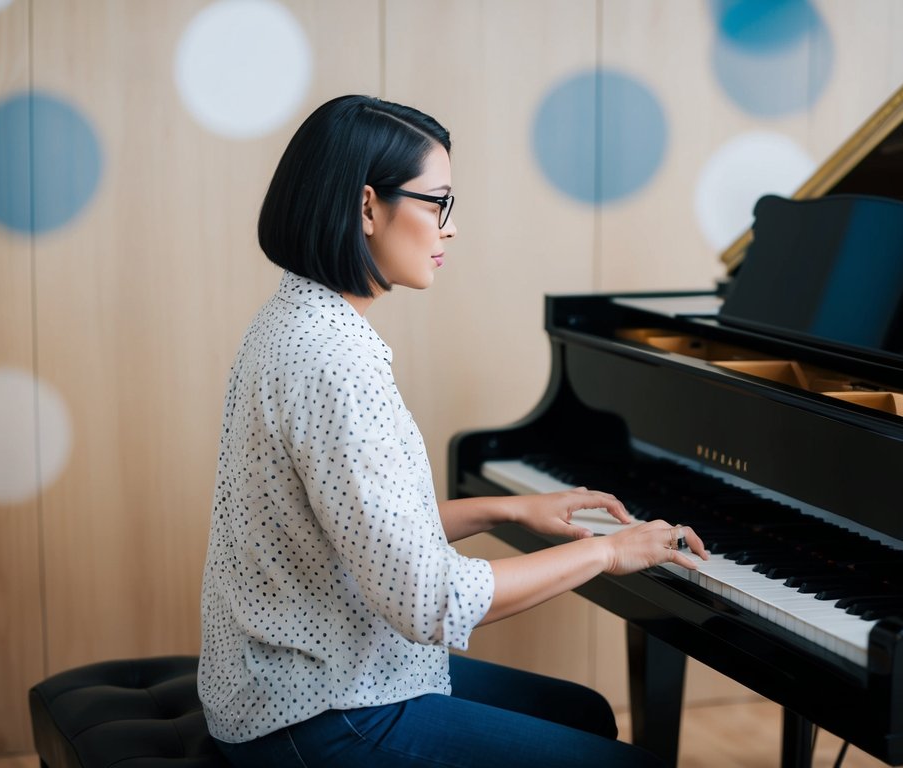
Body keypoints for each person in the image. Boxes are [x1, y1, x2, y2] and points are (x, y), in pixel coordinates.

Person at [199, 94, 707, 768]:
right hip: (315, 712)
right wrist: (607, 554)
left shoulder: (293, 317)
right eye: (437, 203)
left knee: (582, 713)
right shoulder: (335, 363)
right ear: (367, 206)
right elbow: (428, 602)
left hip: (291, 674)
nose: (450, 228)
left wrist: (508, 507)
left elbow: (354, 530)